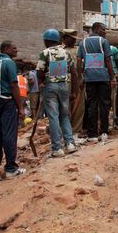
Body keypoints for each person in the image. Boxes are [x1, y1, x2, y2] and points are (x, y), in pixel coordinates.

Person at [0, 40, 26, 179]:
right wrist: (20, 108)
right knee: (9, 134)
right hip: (7, 101)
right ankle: (11, 168)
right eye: (14, 48)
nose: (16, 50)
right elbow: (14, 86)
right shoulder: (9, 63)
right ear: (6, 49)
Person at [36, 29, 76, 157]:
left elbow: (39, 71)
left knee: (53, 116)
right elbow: (73, 71)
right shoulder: (65, 53)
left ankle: (57, 148)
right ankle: (70, 143)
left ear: (46, 41)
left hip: (51, 86)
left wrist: (41, 83)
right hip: (64, 85)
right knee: (65, 115)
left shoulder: (45, 53)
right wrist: (74, 91)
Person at [78, 22, 115, 143]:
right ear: (97, 29)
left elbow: (79, 62)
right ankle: (104, 131)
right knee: (104, 104)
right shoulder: (103, 42)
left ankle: (92, 134)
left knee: (91, 105)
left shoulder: (82, 43)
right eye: (103, 30)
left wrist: (81, 77)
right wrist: (112, 76)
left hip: (89, 78)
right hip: (103, 77)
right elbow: (108, 60)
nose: (105, 32)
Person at [61, 29, 85, 143]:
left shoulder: (79, 50)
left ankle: (75, 130)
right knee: (65, 106)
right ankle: (64, 131)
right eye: (71, 38)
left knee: (79, 106)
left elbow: (82, 65)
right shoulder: (60, 51)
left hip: (78, 80)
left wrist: (81, 78)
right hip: (66, 80)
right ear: (65, 38)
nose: (74, 40)